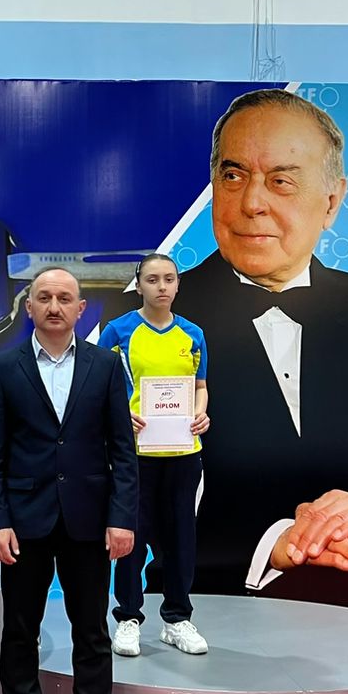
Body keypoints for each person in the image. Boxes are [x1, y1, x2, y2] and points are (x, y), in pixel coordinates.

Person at [116, 90, 348, 610]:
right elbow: (135, 482)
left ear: (331, 202)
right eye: (233, 175)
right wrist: (275, 544)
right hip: (214, 607)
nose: (251, 202)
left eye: (281, 181)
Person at [0, 268, 140, 694]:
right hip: (24, 522)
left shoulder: (105, 366)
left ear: (80, 308)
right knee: (19, 630)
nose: (54, 306)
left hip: (89, 520)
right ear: (28, 308)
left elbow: (123, 449)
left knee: (91, 630)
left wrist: (121, 517)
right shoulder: (3, 367)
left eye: (64, 298)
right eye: (43, 297)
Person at [99, 253, 211, 656]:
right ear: (139, 285)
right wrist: (120, 415)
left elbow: (200, 387)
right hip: (135, 456)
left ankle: (177, 619)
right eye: (152, 279)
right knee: (131, 537)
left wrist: (201, 413)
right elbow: (100, 388)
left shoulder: (193, 334)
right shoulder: (118, 331)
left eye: (168, 279)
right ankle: (128, 618)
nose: (161, 286)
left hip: (183, 453)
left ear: (178, 284)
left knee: (181, 539)